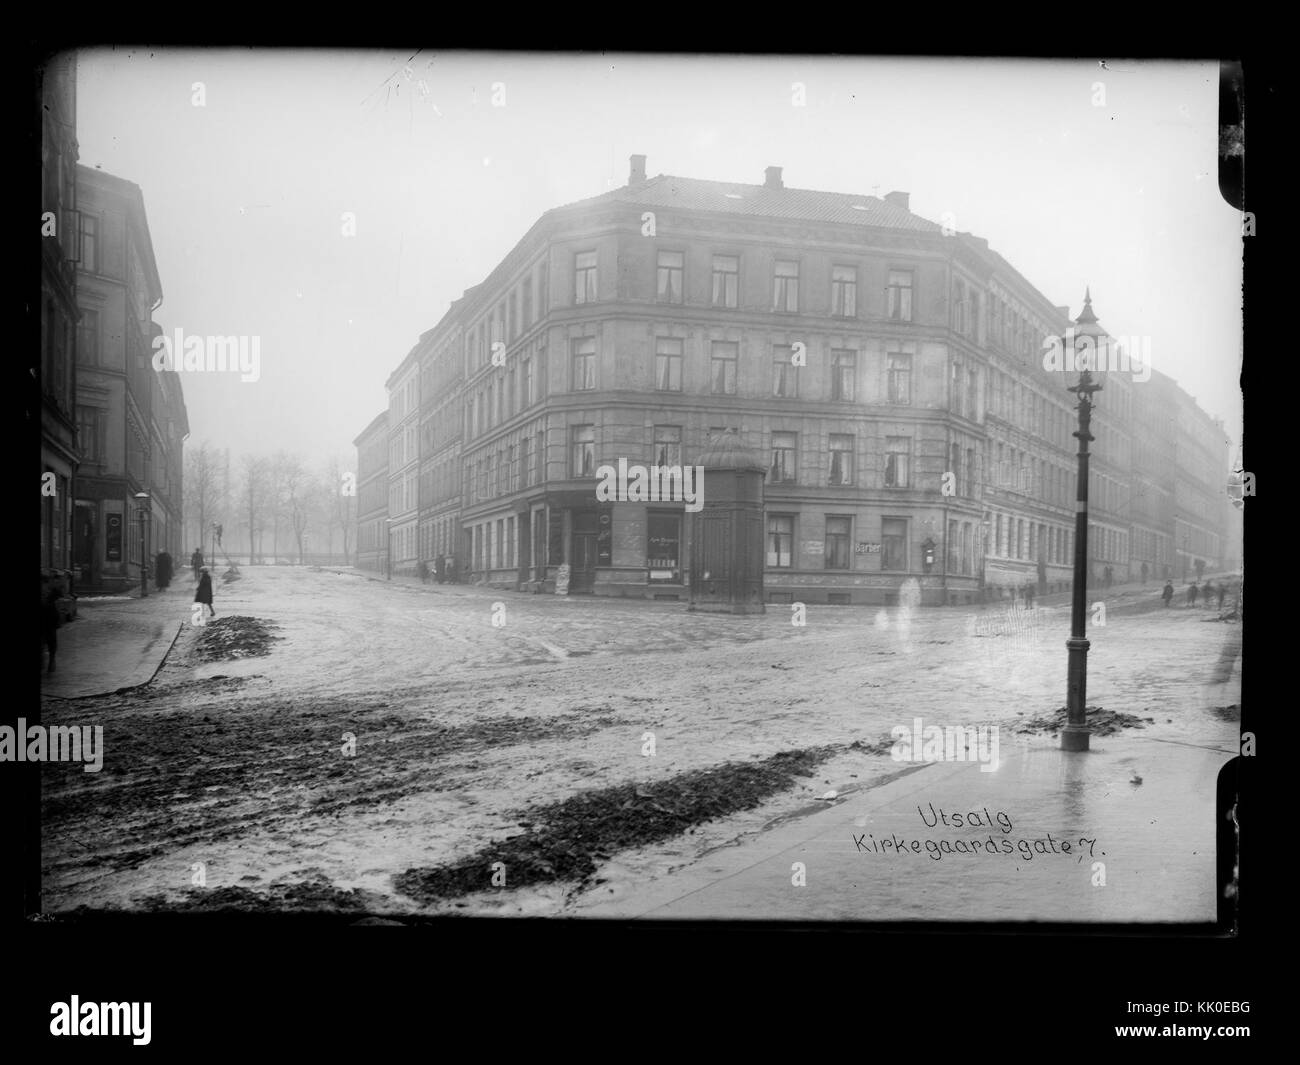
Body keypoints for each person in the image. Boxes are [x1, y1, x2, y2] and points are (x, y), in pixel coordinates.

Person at [42, 581, 62, 674]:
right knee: (52, 647)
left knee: (48, 647)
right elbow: (55, 617)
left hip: (49, 628)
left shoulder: (48, 602)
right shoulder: (50, 604)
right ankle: (50, 665)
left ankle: (48, 664)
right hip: (49, 628)